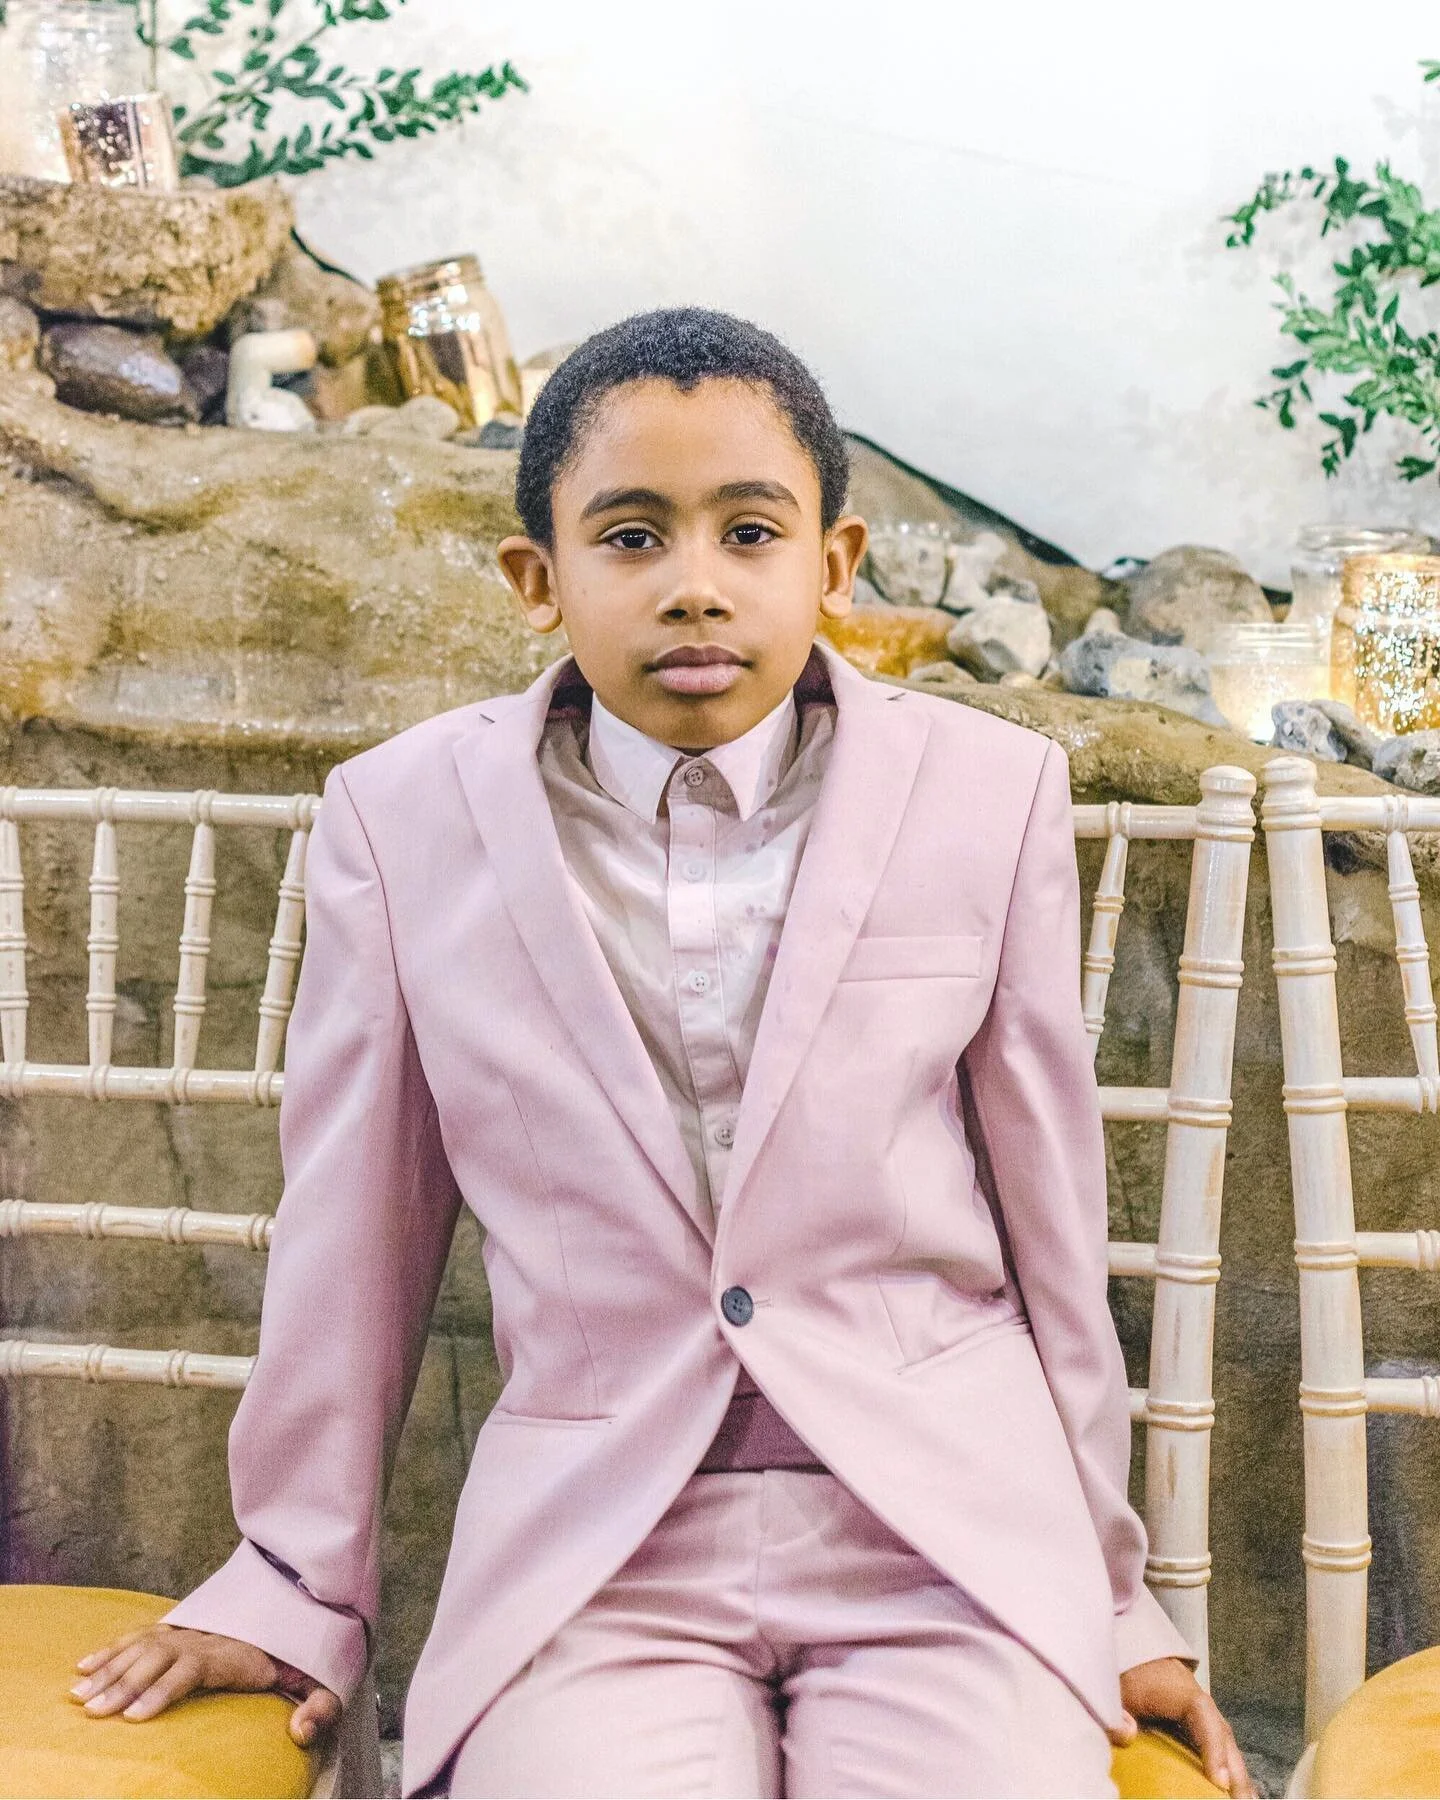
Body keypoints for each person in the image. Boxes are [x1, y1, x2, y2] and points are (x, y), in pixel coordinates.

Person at [69, 308, 1255, 1799]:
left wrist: (1108, 1592)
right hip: (599, 1544)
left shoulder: (991, 792)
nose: (696, 585)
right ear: (537, 578)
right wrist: (296, 1583)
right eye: (631, 539)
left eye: (749, 534)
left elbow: (1052, 1228)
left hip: (942, 1535)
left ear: (833, 563)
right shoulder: (400, 819)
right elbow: (355, 1231)